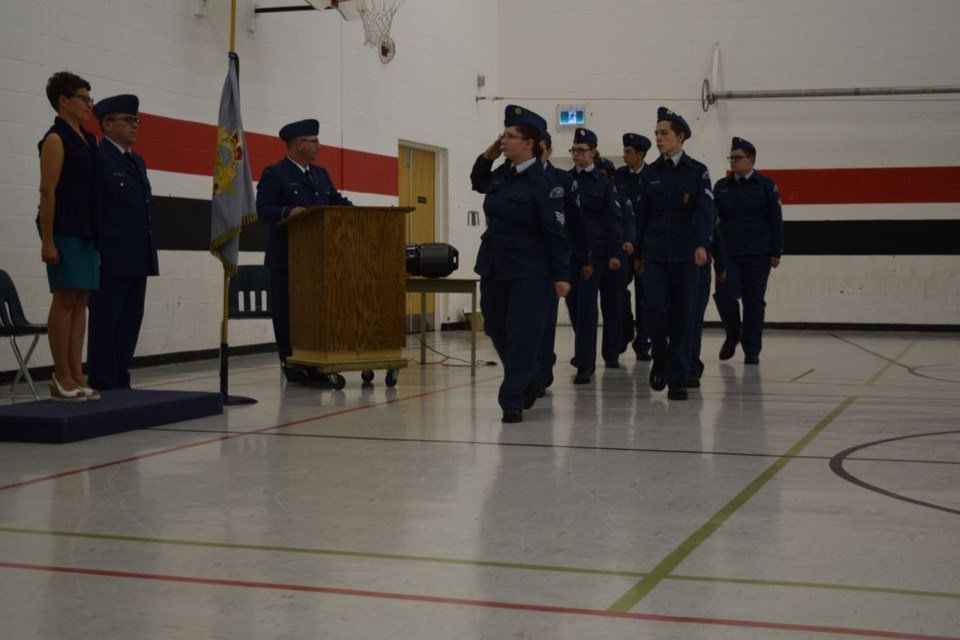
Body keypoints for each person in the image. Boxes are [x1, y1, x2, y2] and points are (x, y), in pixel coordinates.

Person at [471, 105, 570, 423]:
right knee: (495, 326)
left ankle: (512, 398)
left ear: (529, 143)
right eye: (504, 135)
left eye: (510, 136)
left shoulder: (546, 183)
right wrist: (488, 154)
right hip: (495, 263)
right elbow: (477, 181)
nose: (504, 141)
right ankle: (525, 377)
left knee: (522, 333)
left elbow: (556, 234)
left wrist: (561, 274)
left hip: (531, 269)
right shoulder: (502, 174)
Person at [256, 118, 353, 386]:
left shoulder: (320, 174)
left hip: (318, 259)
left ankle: (313, 361)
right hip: (287, 257)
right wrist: (288, 212)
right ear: (299, 144)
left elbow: (335, 201)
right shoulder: (274, 173)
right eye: (314, 141)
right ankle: (291, 362)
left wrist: (356, 212)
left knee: (314, 311)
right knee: (288, 312)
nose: (319, 145)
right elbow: (264, 209)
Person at [633, 107, 714, 401]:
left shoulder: (697, 171)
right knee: (653, 308)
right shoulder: (650, 173)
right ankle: (661, 356)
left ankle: (678, 379)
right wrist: (639, 251)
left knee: (683, 316)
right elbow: (641, 216)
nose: (658, 138)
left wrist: (702, 244)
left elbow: (705, 212)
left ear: (680, 137)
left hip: (686, 255)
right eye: (656, 133)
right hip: (654, 253)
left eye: (663, 133)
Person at [86, 95, 159, 391]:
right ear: (107, 123)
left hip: (137, 254)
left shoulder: (136, 161)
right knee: (106, 320)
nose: (134, 126)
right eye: (128, 120)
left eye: (135, 120)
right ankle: (104, 380)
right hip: (110, 255)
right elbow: (95, 209)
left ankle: (120, 377)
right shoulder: (98, 158)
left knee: (130, 320)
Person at [37, 71, 101, 402]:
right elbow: (48, 192)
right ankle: (60, 374)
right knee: (64, 298)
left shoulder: (89, 140)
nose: (90, 105)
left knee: (81, 300)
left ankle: (77, 371)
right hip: (63, 228)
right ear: (64, 101)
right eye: (84, 98)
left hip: (87, 229)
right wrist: (48, 240)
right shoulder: (55, 139)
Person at [713, 137, 784, 364]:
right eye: (731, 158)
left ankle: (751, 349)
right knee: (724, 295)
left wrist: (776, 251)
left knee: (754, 301)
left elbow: (776, 219)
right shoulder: (721, 187)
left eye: (738, 157)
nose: (733, 162)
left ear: (751, 159)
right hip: (729, 253)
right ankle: (732, 334)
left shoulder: (766, 185)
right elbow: (713, 221)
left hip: (758, 253)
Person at [533, 131, 590, 397]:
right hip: (520, 258)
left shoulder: (563, 180)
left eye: (539, 148)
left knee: (544, 319)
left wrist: (582, 258)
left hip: (551, 259)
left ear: (547, 150)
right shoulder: (511, 177)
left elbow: (577, 224)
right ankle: (529, 369)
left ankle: (541, 371)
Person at [565, 128, 622, 384]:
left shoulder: (604, 184)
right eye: (574, 150)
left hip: (594, 254)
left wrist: (614, 252)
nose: (577, 154)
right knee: (574, 308)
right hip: (569, 254)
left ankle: (585, 364)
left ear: (594, 153)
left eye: (582, 150)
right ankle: (583, 350)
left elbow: (612, 219)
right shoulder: (563, 180)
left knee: (587, 308)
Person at [615, 132, 653, 360]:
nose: (625, 155)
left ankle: (643, 343)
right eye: (624, 150)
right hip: (623, 245)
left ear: (641, 154)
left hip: (646, 246)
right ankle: (625, 329)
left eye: (629, 152)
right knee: (619, 292)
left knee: (645, 296)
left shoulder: (652, 176)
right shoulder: (617, 177)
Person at [596, 158, 635, 368]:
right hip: (595, 255)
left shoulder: (621, 199)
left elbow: (628, 222)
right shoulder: (587, 197)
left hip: (617, 257)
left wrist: (628, 241)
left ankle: (611, 353)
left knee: (613, 305)